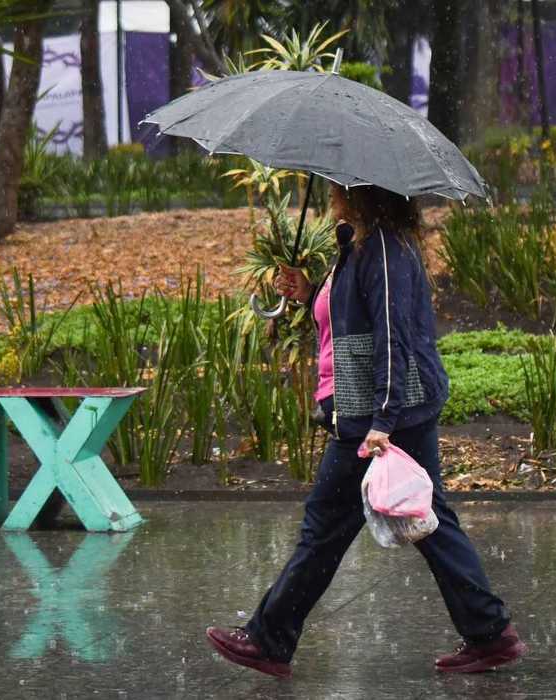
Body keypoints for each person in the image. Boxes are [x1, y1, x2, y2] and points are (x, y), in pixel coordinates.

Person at [205, 185, 525, 678]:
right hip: (376, 410)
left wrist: (382, 421)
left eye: (340, 189)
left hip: (378, 414)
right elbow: (351, 317)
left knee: (326, 528)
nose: (333, 195)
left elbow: (393, 337)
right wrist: (309, 292)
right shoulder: (359, 244)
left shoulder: (384, 250)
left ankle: (270, 639)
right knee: (427, 520)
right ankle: (489, 633)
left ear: (362, 194)